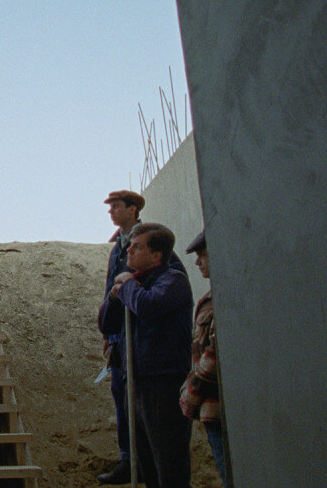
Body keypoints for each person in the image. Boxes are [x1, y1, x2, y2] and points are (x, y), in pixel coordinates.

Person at [98, 191, 186, 485]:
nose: (128, 254)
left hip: (161, 378)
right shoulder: (131, 274)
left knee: (167, 458)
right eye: (129, 248)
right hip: (135, 374)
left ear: (156, 254)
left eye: (136, 248)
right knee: (144, 455)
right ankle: (127, 461)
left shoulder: (171, 278)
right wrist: (114, 296)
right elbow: (106, 321)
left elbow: (149, 306)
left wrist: (126, 286)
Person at [180, 230, 227, 486]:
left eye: (203, 255)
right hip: (215, 410)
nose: (198, 262)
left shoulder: (223, 300)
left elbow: (211, 361)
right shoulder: (212, 297)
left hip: (219, 407)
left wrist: (190, 395)